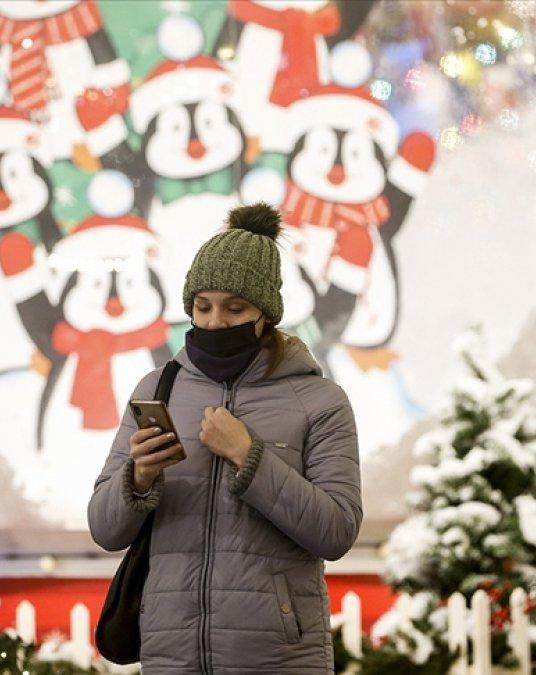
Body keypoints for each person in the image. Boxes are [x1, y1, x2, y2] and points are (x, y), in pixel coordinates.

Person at [87, 202, 363, 673]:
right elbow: (104, 529)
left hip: (278, 660)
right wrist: (138, 478)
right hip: (172, 657)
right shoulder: (156, 389)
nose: (214, 322)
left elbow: (336, 531)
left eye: (235, 308)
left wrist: (249, 456)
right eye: (202, 307)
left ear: (265, 314)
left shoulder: (320, 400)